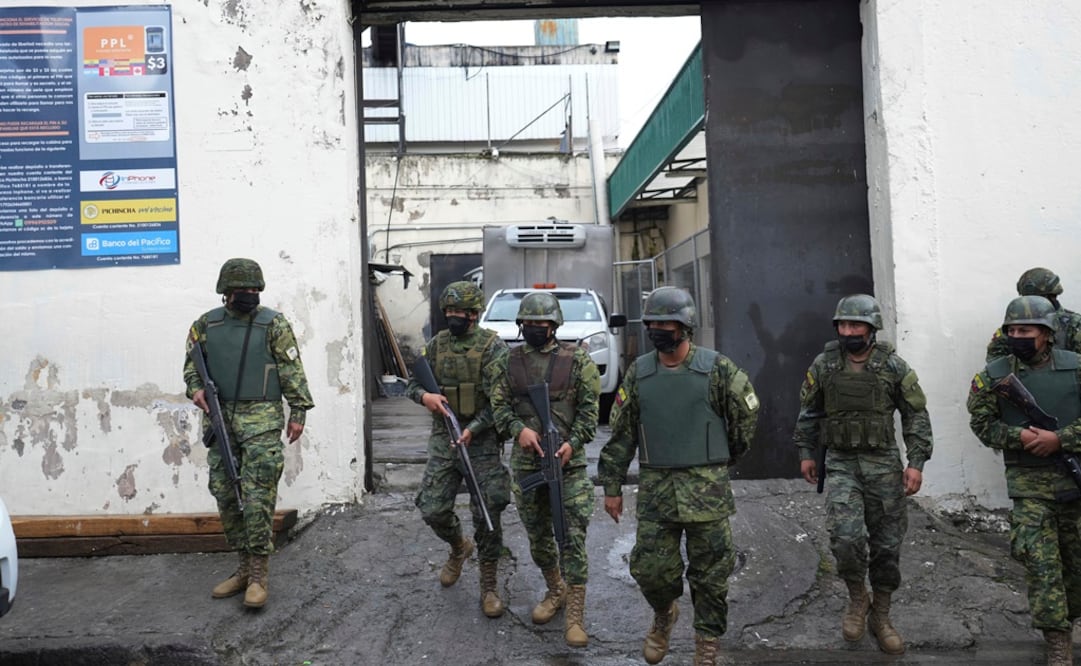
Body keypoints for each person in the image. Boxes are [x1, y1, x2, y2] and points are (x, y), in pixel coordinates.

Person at [599, 286, 760, 666]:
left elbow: (746, 415)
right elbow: (622, 433)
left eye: (665, 324)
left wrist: (724, 457)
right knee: (650, 570)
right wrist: (612, 485)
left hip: (707, 494)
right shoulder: (640, 372)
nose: (657, 331)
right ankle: (664, 613)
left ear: (685, 326)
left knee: (711, 576)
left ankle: (707, 643)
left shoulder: (717, 369)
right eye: (652, 324)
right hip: (657, 492)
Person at [793, 293, 933, 655]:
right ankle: (858, 598)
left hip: (883, 464)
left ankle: (881, 614)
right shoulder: (825, 364)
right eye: (843, 325)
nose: (848, 331)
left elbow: (916, 415)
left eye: (855, 325)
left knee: (887, 544)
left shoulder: (893, 366)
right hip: (841, 463)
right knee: (845, 537)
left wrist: (916, 462)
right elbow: (809, 411)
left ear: (871, 329)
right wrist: (807, 452)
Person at [184, 258, 314, 609]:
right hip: (220, 422)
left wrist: (298, 410)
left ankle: (258, 576)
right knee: (226, 494)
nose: (250, 294)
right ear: (226, 292)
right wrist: (195, 389)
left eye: (255, 289)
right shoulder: (205, 325)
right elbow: (191, 369)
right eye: (243, 289)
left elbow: (291, 369)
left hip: (261, 421)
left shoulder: (274, 324)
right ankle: (242, 568)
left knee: (257, 497)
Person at [968, 295, 1081, 666]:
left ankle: (1070, 620)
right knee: (1040, 562)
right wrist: (1020, 437)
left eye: (1026, 330)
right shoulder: (995, 375)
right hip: (1029, 483)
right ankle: (1057, 642)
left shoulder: (1076, 367)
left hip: (1074, 480)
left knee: (1075, 564)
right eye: (1012, 330)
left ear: (1046, 334)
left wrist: (1060, 440)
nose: (1018, 336)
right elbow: (982, 424)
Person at [490, 291, 600, 647]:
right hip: (527, 465)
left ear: (554, 325)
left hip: (569, 465)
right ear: (521, 325)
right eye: (529, 323)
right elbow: (499, 407)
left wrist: (573, 443)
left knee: (572, 538)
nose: (536, 328)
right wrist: (517, 430)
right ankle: (556, 589)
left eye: (542, 323)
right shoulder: (508, 361)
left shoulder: (578, 361)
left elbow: (590, 414)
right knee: (538, 538)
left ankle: (575, 617)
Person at [405, 281, 511, 618]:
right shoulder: (437, 345)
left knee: (487, 512)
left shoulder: (493, 347)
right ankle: (458, 546)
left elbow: (502, 401)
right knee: (433, 508)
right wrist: (425, 396)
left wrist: (474, 428)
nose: (453, 316)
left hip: (480, 440)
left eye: (459, 312)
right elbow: (412, 383)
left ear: (474, 314)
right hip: (444, 437)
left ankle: (489, 584)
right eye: (448, 311)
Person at [986, 267, 1081, 361]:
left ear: (1052, 296)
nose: (1029, 303)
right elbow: (994, 358)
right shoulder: (1016, 324)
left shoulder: (1074, 325)